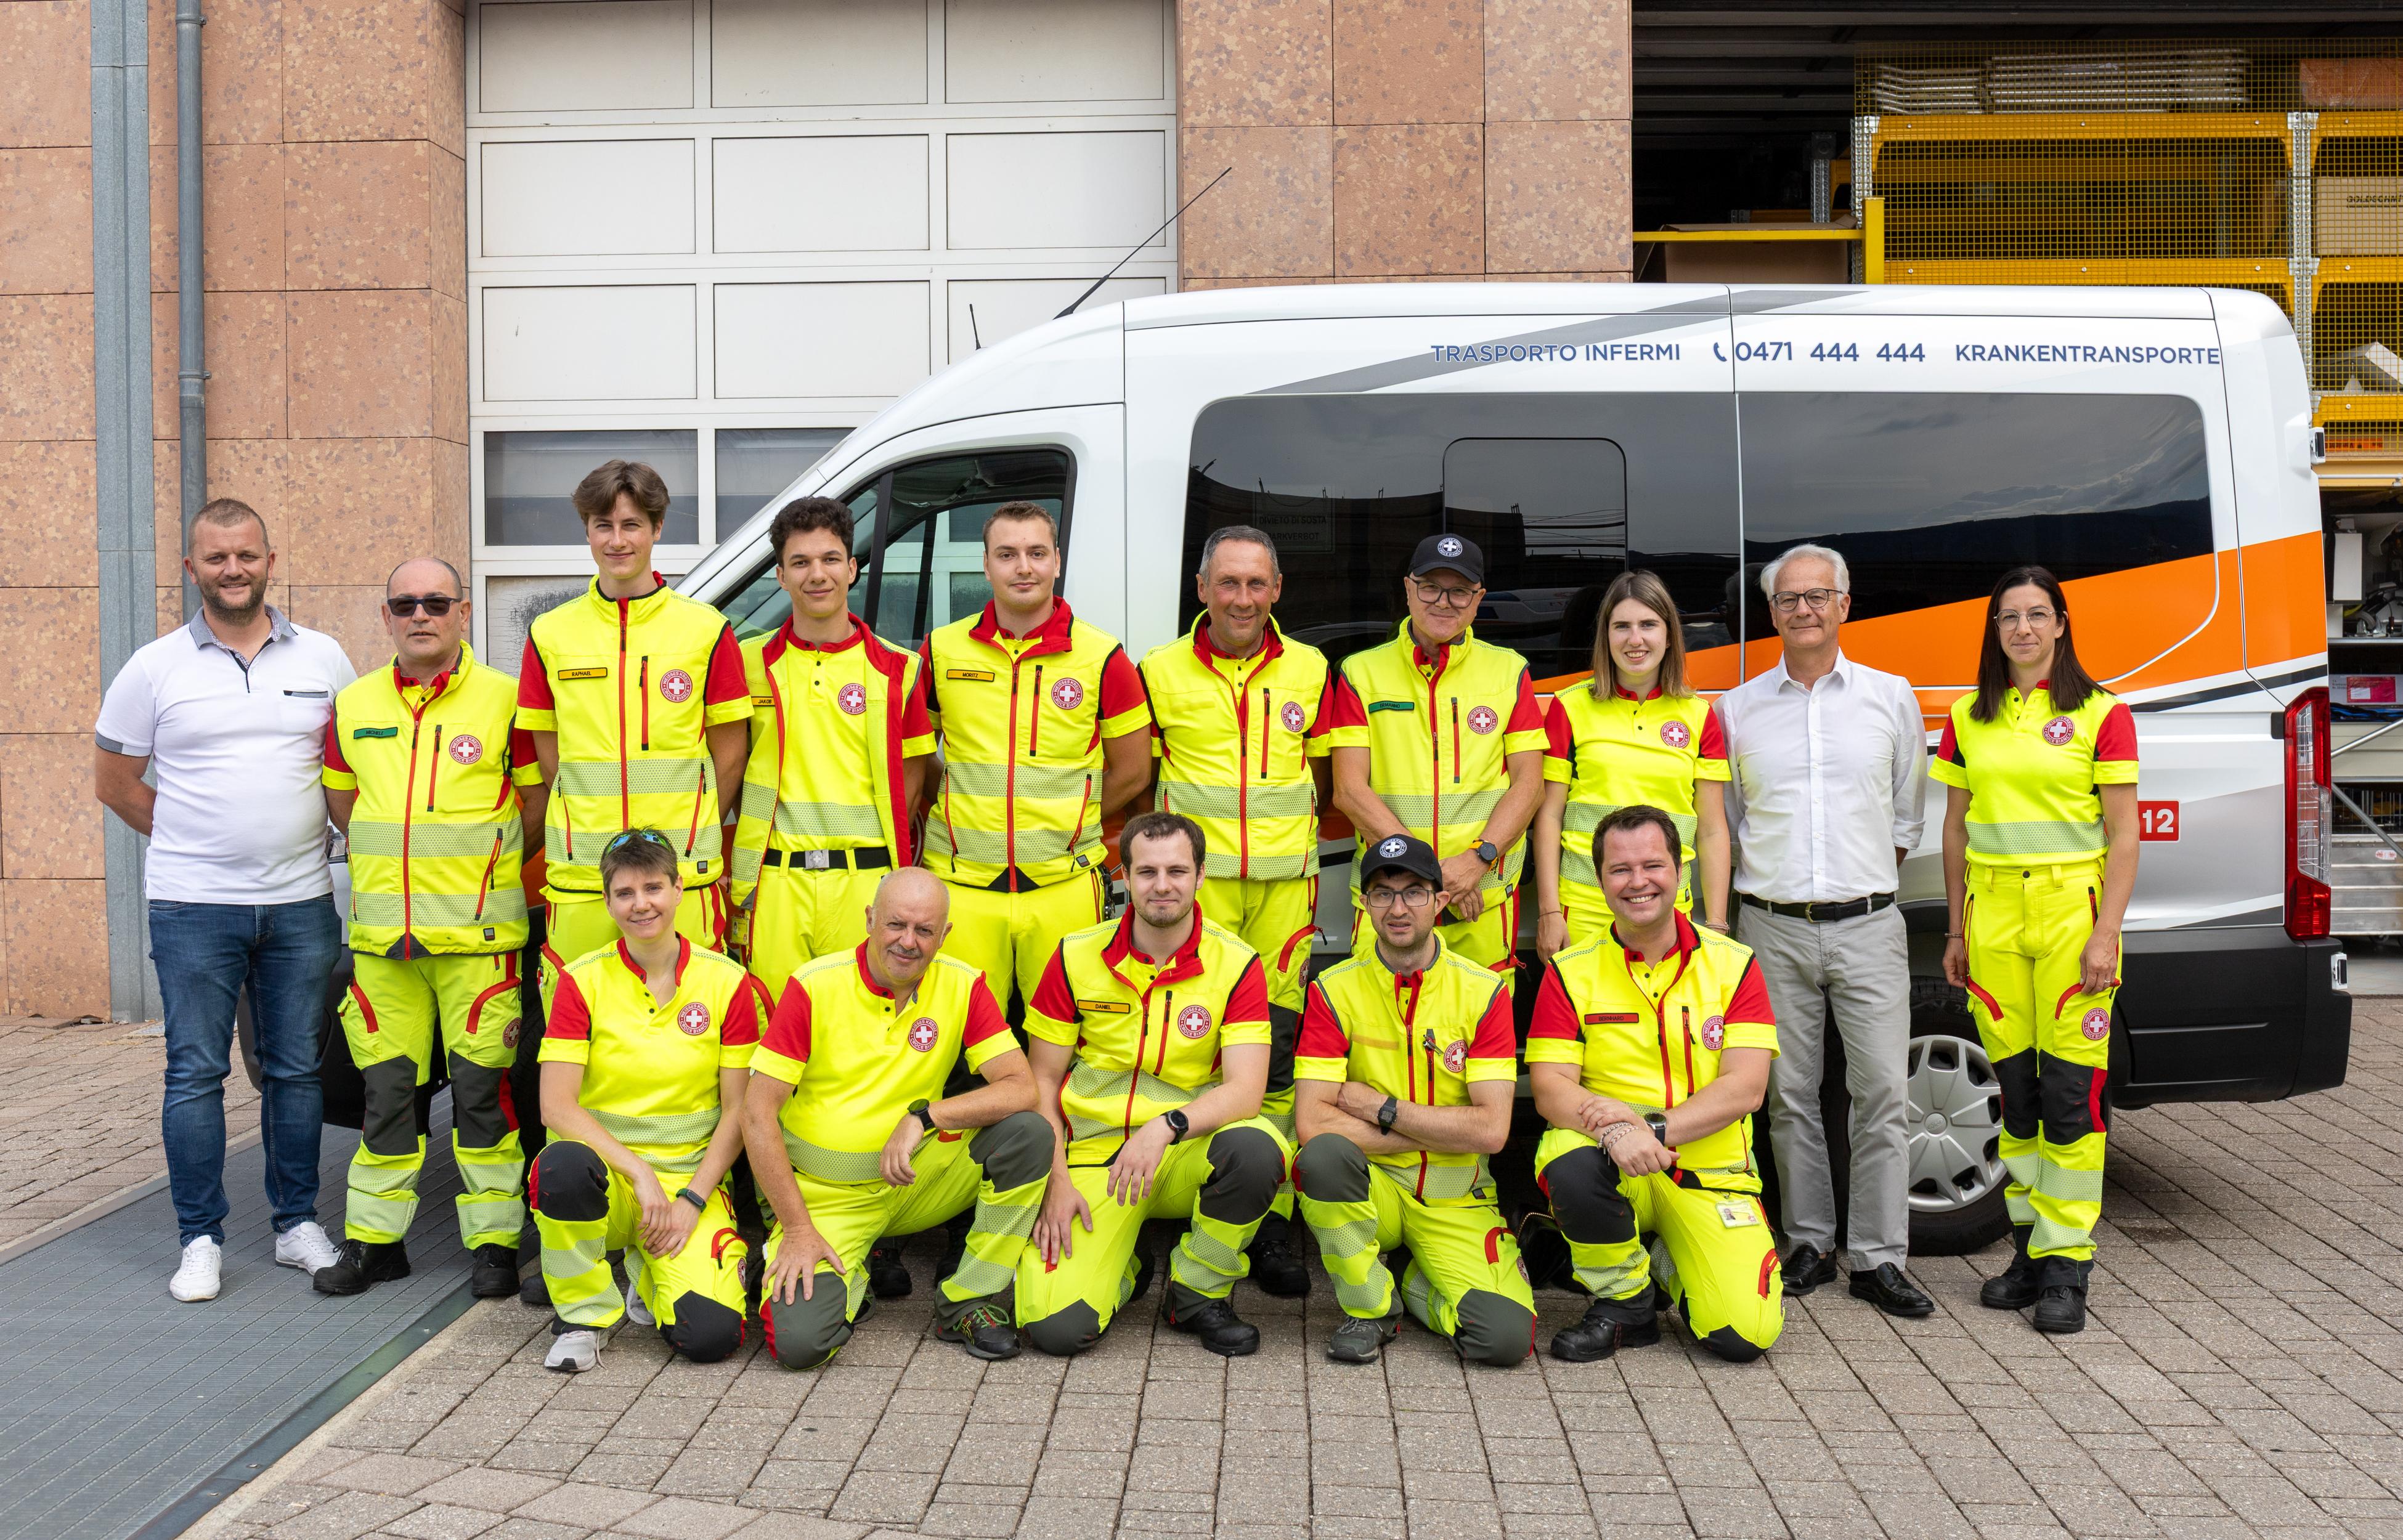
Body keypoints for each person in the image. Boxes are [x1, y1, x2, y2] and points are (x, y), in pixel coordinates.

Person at [95, 498, 351, 1302]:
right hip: (193, 907)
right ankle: (199, 1238)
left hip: (301, 902)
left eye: (246, 555)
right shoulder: (153, 667)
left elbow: (347, 768)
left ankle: (296, 1225)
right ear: (191, 569)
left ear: (270, 561)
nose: (232, 569)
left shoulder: (324, 658)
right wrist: (194, 841)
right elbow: (116, 783)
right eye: (216, 557)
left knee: (296, 1070)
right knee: (195, 1071)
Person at [1716, 543, 1934, 1319]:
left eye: (1817, 596)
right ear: (1771, 613)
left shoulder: (1890, 697)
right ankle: (1808, 1240)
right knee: (1788, 1095)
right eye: (1788, 599)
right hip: (1771, 927)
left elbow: (1907, 815)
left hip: (1869, 923)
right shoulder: (1737, 710)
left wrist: (1856, 881)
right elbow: (1731, 822)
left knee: (1883, 1093)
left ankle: (1878, 1257)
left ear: (1845, 604)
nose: (1803, 609)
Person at [315, 559, 544, 1298]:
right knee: (386, 1097)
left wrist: (484, 872)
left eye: (437, 602)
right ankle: (376, 1243)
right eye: (406, 603)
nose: (421, 614)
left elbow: (536, 804)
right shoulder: (353, 704)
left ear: (463, 613)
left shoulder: (507, 701)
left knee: (482, 1098)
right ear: (386, 616)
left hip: (479, 945)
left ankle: (495, 1246)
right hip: (385, 946)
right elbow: (343, 803)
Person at [1937, 565, 2139, 1335]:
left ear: (2061, 623)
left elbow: (2124, 834)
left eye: (2036, 614)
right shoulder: (1968, 715)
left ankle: (2067, 1266)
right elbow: (1954, 827)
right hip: (1992, 913)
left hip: (2069, 913)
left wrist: (2105, 931)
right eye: (2008, 617)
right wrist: (1956, 929)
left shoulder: (2102, 712)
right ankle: (2027, 1251)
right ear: (1994, 630)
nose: (2022, 628)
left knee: (2070, 1097)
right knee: (2016, 1095)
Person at [742, 869, 1052, 1367]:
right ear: (870, 920)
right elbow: (757, 1114)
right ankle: (851, 1272)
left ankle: (968, 1301)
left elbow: (1022, 1088)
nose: (909, 942)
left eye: (925, 930)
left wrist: (926, 1117)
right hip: (826, 1200)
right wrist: (798, 1230)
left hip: (913, 1180)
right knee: (800, 1347)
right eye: (896, 925)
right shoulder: (814, 985)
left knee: (1028, 1134)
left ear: (944, 935)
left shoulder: (964, 983)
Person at [1138, 524, 1333, 1299]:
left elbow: (1329, 777)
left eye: (1257, 583)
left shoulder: (1313, 669)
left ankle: (1272, 1217)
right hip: (1199, 894)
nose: (1243, 598)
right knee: (1191, 1049)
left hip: (1284, 895)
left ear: (1277, 589)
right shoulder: (1159, 670)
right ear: (1202, 589)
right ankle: (1189, 1199)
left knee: (1277, 1056)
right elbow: (1137, 777)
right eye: (1228, 582)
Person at [1014, 812, 1288, 1358]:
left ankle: (1197, 1293)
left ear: (1201, 875)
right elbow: (1040, 1079)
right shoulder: (1074, 954)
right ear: (1124, 877)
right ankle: (1127, 1268)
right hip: (1094, 1159)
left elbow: (1246, 1091)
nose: (1162, 886)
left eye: (1177, 871)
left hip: (1184, 1150)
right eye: (1147, 872)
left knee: (1258, 1149)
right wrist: (1055, 1180)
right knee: (1055, 1329)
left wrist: (1166, 1127)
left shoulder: (1237, 963)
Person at [1527, 805, 1784, 1363]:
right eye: (1620, 870)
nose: (1637, 882)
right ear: (1601, 881)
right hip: (1614, 1162)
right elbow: (1550, 1089)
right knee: (1569, 1162)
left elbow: (1746, 1088)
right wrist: (1616, 1133)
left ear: (1680, 871)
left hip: (1710, 1174)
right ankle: (1625, 1305)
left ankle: (1663, 1262)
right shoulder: (1570, 970)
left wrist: (1651, 1129)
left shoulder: (1735, 965)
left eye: (1653, 865)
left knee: (1743, 1337)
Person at [529, 829, 766, 1372]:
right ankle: (583, 1318)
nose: (641, 904)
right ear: (607, 901)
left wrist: (693, 1200)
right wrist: (638, 1174)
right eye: (625, 893)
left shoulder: (728, 983)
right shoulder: (580, 981)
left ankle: (649, 1272)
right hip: (613, 1182)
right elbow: (556, 1107)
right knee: (561, 1168)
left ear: (680, 889)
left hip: (689, 1184)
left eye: (654, 888)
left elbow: (739, 1111)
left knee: (711, 1338)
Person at [1291, 833, 1530, 1366]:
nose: (1398, 909)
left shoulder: (1485, 991)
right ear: (1365, 903)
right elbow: (1313, 1123)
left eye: (1414, 892)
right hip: (1374, 1190)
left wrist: (1385, 1110)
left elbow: (1493, 1132)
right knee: (1322, 1159)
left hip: (1457, 1197)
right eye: (1382, 893)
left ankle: (1409, 1281)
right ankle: (1370, 1309)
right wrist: (1441, 1132)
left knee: (1504, 1340)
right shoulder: (1333, 989)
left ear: (1440, 900)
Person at [519, 460, 752, 1007]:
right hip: (582, 878)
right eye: (603, 525)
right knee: (581, 1025)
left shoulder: (706, 629)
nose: (617, 541)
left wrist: (694, 832)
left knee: (691, 1024)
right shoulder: (550, 634)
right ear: (587, 531)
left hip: (681, 878)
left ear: (657, 528)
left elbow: (730, 754)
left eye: (632, 525)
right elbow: (550, 757)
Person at [919, 501, 1151, 1013]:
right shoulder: (940, 651)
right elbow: (914, 755)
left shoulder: (1103, 657)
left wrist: (1072, 819)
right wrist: (953, 802)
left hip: (1064, 884)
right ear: (986, 565)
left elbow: (1135, 771)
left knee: (1066, 1031)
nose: (1023, 567)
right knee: (962, 1033)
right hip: (962, 884)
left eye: (1037, 553)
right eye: (1007, 554)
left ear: (1057, 562)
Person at [730, 496, 936, 997]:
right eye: (800, 562)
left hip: (866, 884)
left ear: (852, 568)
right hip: (775, 883)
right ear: (781, 576)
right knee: (774, 1024)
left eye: (829, 559)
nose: (817, 574)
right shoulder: (746, 663)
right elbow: (731, 765)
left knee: (863, 1023)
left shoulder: (900, 669)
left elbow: (911, 786)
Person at [1327, 533, 1547, 976]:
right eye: (1430, 587)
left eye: (1460, 591)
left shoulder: (1510, 671)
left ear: (1478, 599)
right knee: (1379, 1015)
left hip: (1481, 898)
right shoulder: (1360, 672)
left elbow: (1530, 786)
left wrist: (1476, 862)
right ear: (1408, 589)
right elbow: (1349, 791)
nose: (1443, 602)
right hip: (1390, 898)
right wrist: (1428, 876)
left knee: (1484, 1018)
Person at [1532, 569, 1732, 958]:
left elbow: (1711, 830)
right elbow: (1549, 816)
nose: (1635, 639)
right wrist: (1549, 912)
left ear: (1669, 635)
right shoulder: (1569, 706)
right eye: (1621, 626)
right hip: (1585, 911)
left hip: (1670, 914)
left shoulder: (1698, 715)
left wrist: (1717, 925)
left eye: (1648, 625)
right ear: (1605, 637)